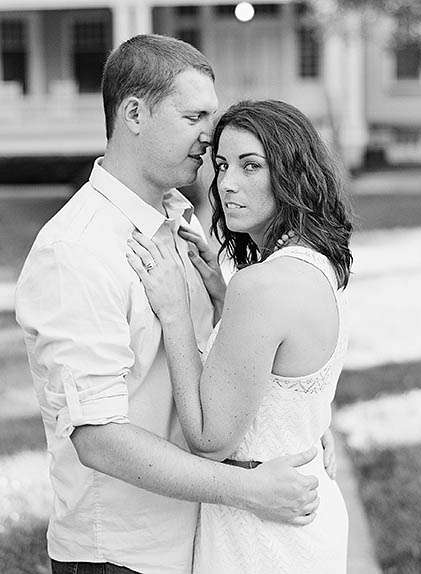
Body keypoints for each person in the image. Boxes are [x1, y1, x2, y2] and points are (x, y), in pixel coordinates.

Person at [15, 35, 330, 574]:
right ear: (133, 113)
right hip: (123, 555)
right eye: (194, 116)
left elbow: (224, 365)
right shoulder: (77, 251)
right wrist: (250, 490)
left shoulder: (180, 224)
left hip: (204, 543)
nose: (210, 137)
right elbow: (99, 439)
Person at [126, 99, 353, 572]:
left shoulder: (263, 285)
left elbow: (210, 440)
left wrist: (175, 314)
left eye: (251, 166)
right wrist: (223, 297)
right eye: (222, 165)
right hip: (308, 515)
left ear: (293, 174)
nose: (227, 184)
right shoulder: (318, 264)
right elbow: (281, 365)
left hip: (261, 532)